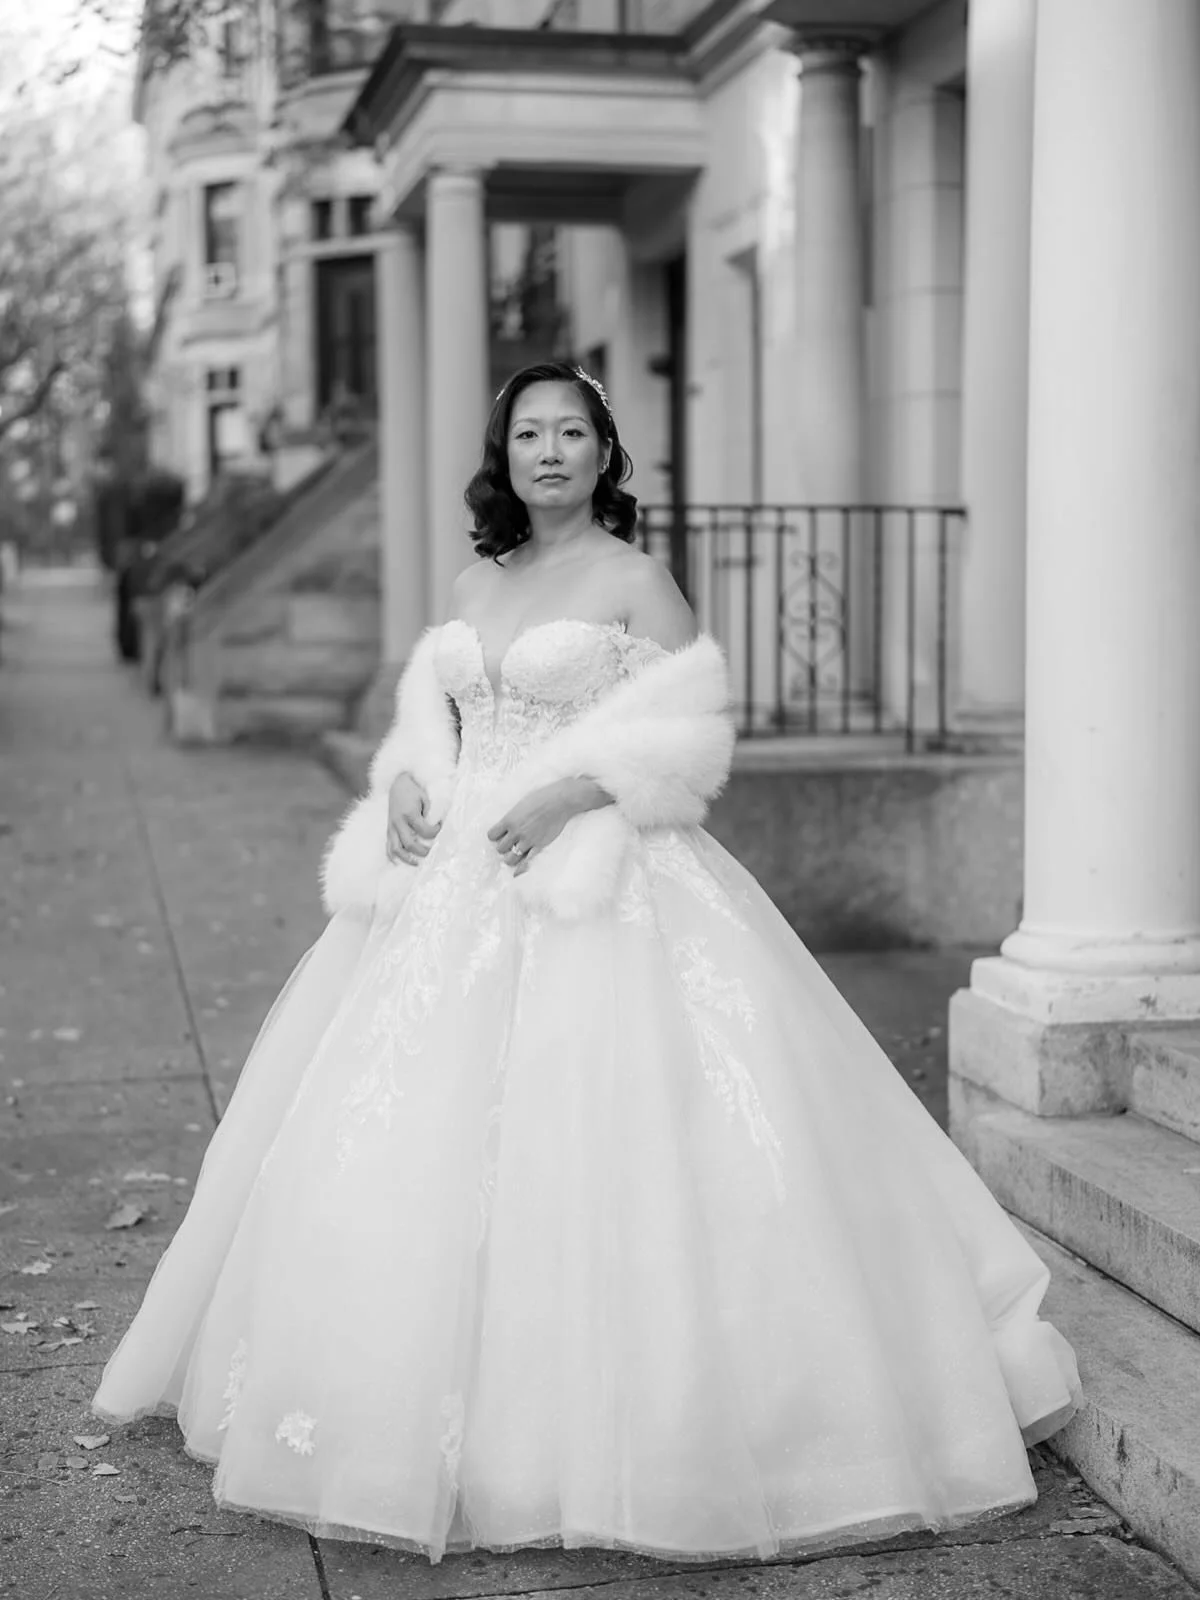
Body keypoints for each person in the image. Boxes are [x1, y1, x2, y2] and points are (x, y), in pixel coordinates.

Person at [91, 360, 1080, 1564]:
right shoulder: (475, 580)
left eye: (571, 432)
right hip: (451, 889)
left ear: (606, 453)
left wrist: (573, 790)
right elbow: (434, 719)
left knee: (626, 1149)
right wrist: (406, 780)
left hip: (597, 885)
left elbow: (695, 730)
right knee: (402, 1138)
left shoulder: (636, 578)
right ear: (502, 455)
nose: (548, 451)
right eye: (528, 434)